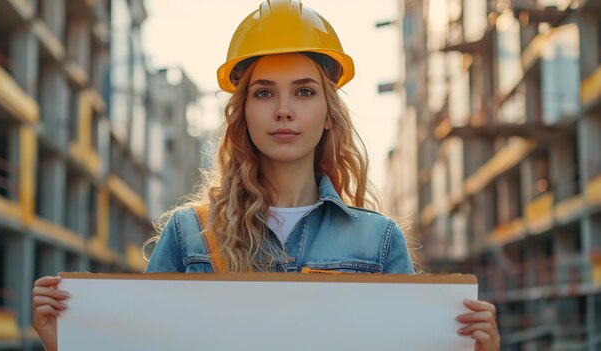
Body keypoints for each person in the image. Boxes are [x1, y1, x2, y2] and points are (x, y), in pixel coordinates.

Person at [32, 1, 500, 350]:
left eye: (303, 91)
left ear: (328, 113)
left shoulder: (378, 241)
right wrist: (67, 341)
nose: (283, 111)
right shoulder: (189, 234)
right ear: (243, 114)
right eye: (263, 93)